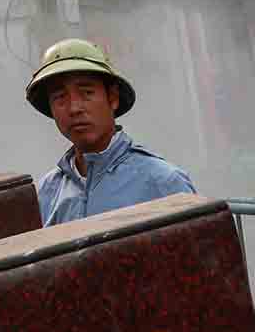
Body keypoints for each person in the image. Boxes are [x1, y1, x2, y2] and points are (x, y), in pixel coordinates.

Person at [28, 38, 194, 225]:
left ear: (112, 98)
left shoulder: (162, 182)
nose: (74, 108)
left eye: (87, 93)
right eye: (60, 97)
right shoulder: (45, 193)